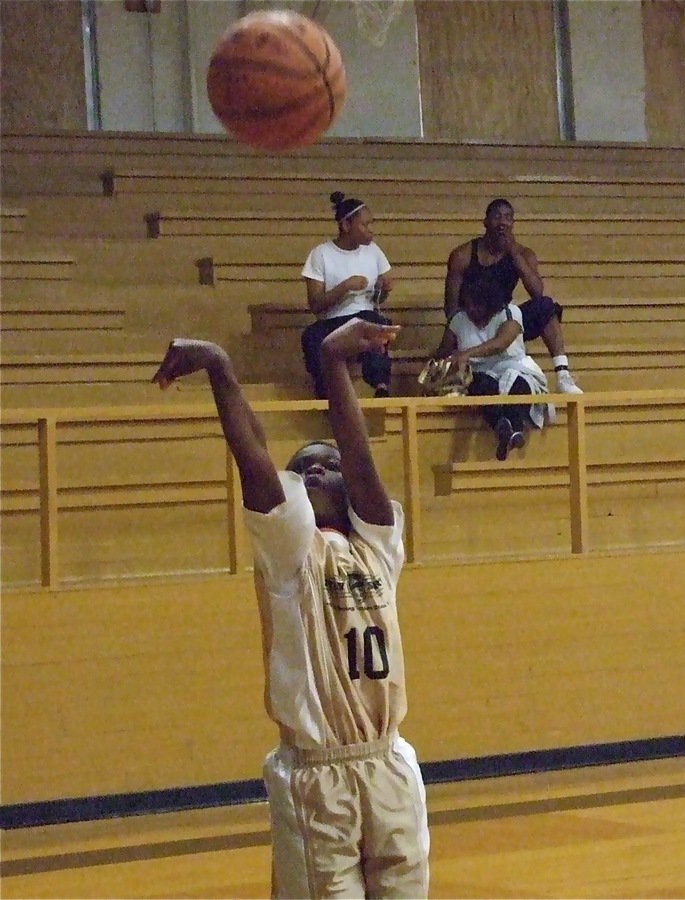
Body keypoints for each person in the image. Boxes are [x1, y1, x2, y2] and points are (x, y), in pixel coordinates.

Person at [151, 319, 430, 899]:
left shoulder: (378, 543)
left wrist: (335, 365)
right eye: (304, 467)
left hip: (389, 764)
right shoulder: (290, 550)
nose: (319, 468)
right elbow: (252, 456)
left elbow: (360, 459)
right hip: (317, 775)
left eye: (329, 462)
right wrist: (222, 367)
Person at [444, 198, 583, 394]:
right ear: (485, 222)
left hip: (505, 322)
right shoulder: (463, 255)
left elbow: (537, 292)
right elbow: (451, 307)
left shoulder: (523, 254)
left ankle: (562, 375)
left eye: (508, 218)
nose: (502, 222)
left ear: (513, 224)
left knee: (546, 306)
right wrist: (466, 331)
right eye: (497, 216)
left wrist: (514, 254)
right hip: (475, 320)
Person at [434, 276, 551, 461]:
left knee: (517, 385)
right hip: (479, 373)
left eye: (477, 305)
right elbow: (444, 350)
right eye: (468, 304)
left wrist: (466, 354)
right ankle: (506, 429)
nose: (472, 309)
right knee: (479, 384)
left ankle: (510, 426)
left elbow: (501, 343)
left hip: (514, 366)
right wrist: (443, 367)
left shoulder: (510, 312)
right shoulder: (458, 319)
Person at [301, 191, 395, 399]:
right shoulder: (321, 254)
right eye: (365, 225)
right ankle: (327, 393)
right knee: (311, 337)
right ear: (346, 226)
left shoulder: (374, 252)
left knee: (376, 326)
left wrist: (383, 290)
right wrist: (344, 287)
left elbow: (377, 301)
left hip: (364, 316)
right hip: (332, 321)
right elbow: (315, 304)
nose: (371, 230)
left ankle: (381, 386)